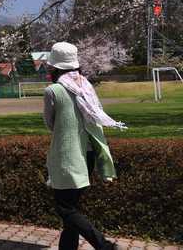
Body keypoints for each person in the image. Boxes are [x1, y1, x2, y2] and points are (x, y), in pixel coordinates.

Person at [44, 42, 124, 250]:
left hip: (66, 156)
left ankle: (104, 245)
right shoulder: (86, 87)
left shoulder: (53, 90)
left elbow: (50, 124)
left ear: (56, 67)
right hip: (87, 155)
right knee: (72, 209)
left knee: (64, 209)